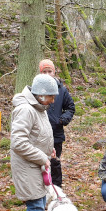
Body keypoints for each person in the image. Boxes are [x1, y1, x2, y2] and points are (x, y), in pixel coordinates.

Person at [10, 74, 58, 211]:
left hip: (34, 163)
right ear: (41, 94)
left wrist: (48, 150)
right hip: (26, 166)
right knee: (37, 207)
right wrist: (42, 157)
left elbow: (37, 135)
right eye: (51, 97)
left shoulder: (39, 108)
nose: (54, 100)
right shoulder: (25, 110)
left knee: (35, 205)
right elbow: (18, 142)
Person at [39, 59, 75, 188]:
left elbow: (70, 107)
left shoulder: (62, 90)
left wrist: (62, 120)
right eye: (45, 71)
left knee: (54, 162)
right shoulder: (36, 90)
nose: (48, 74)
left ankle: (56, 190)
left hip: (56, 133)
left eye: (50, 71)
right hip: (39, 134)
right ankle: (41, 188)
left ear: (54, 72)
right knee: (39, 162)